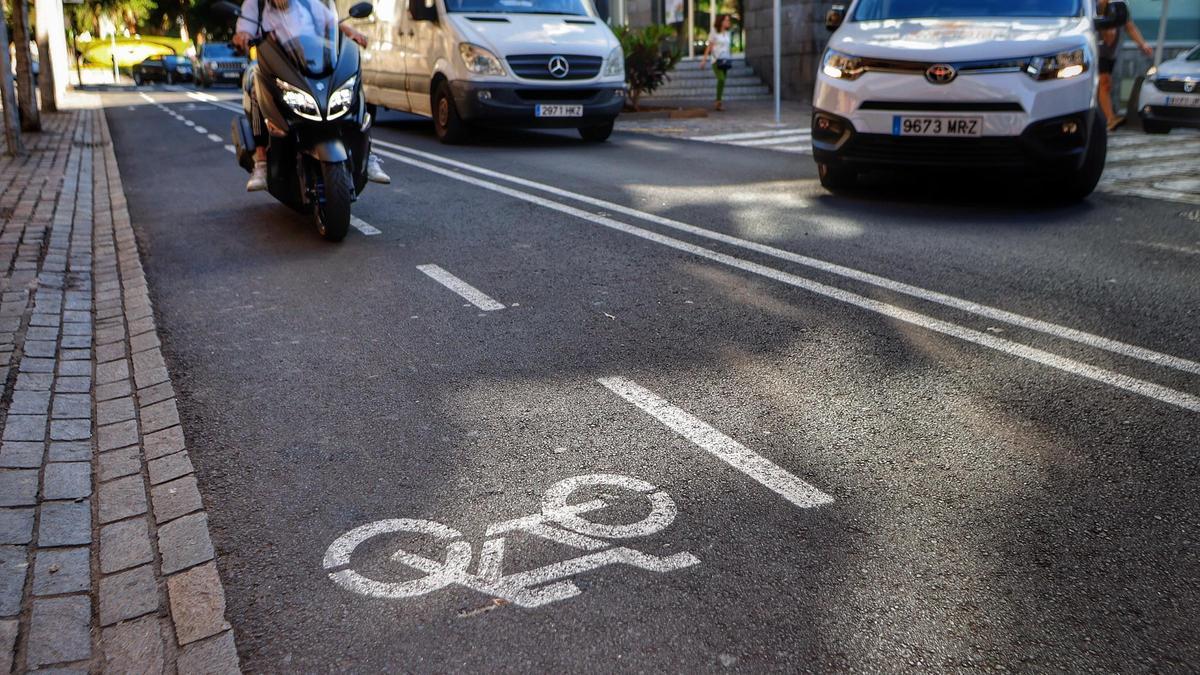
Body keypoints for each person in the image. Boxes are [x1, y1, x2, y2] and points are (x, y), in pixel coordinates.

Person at [233, 0, 390, 191]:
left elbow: (330, 22)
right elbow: (244, 31)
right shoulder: (254, 5)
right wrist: (242, 37)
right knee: (253, 80)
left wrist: (351, 33)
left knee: (351, 81)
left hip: (312, 61)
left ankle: (367, 153)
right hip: (275, 65)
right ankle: (262, 162)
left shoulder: (307, 2)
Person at [1096, 0, 1152, 131]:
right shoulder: (1097, 6)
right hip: (1098, 51)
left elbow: (1129, 26)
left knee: (1106, 84)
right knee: (1103, 83)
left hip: (1110, 53)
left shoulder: (1119, 7)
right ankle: (1109, 118)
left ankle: (1108, 117)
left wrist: (1142, 44)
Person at [699, 15, 733, 112]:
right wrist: (704, 60)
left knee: (723, 81)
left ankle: (719, 101)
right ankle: (718, 101)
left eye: (728, 20)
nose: (728, 22)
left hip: (725, 60)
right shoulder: (714, 32)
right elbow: (709, 46)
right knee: (721, 79)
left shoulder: (727, 33)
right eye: (726, 20)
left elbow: (727, 47)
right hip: (716, 60)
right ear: (721, 21)